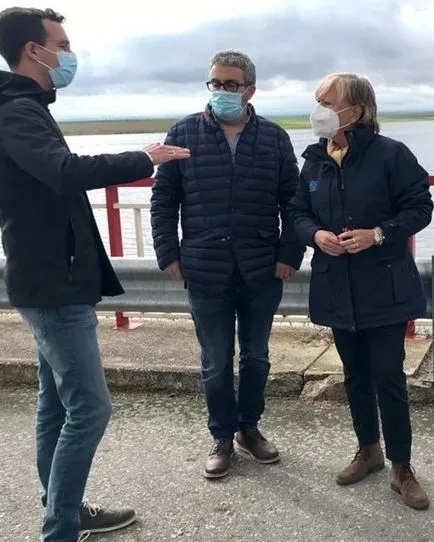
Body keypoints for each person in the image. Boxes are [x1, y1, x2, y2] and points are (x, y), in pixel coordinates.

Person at [0, 7, 189, 542]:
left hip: (51, 277)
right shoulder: (16, 113)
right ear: (31, 51)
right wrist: (144, 156)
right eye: (60, 45)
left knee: (55, 406)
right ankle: (60, 528)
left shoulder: (22, 107)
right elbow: (65, 173)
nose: (68, 54)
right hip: (51, 283)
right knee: (89, 407)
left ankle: (65, 513)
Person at [150, 50, 305, 480]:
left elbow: (293, 203)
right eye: (215, 83)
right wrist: (169, 253)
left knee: (256, 357)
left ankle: (248, 429)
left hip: (260, 268)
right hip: (205, 267)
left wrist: (289, 253)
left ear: (250, 90)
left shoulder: (274, 138)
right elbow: (164, 200)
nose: (221, 91)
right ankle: (221, 436)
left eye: (230, 85)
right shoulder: (183, 134)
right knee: (216, 360)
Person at [287, 73, 434, 510]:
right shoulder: (314, 160)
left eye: (329, 102)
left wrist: (379, 234)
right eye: (318, 101)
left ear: (358, 110)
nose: (320, 110)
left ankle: (402, 466)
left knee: (388, 377)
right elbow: (295, 212)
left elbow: (419, 207)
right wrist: (315, 235)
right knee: (354, 376)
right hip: (337, 287)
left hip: (383, 286)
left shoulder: (391, 155)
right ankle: (368, 450)